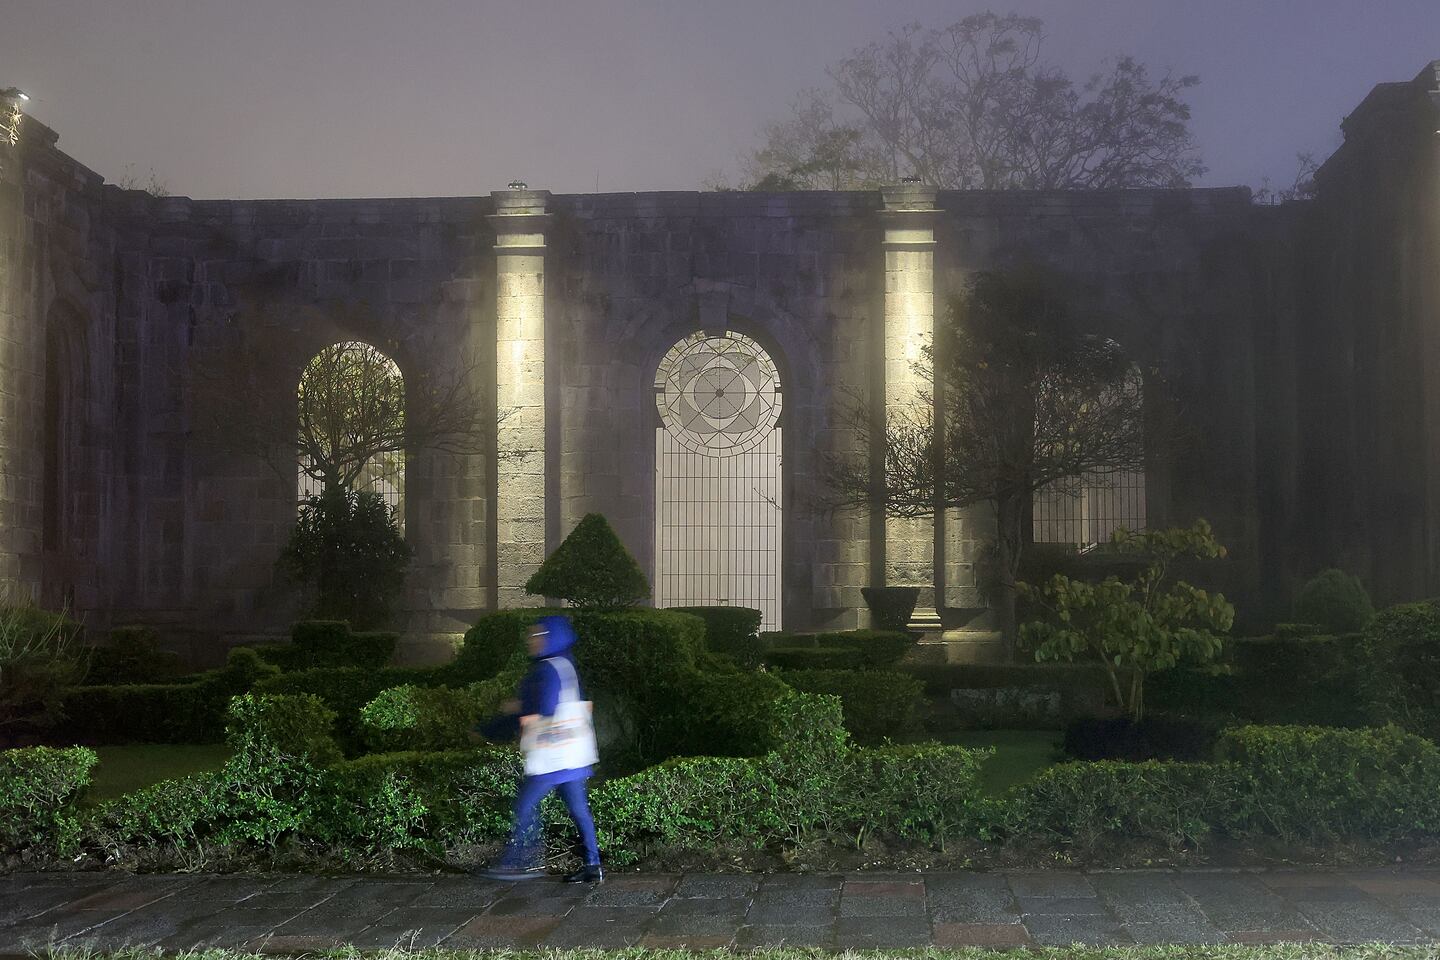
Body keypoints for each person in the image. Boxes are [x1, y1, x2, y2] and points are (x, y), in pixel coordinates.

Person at [479, 614, 603, 883]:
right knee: (579, 809)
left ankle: (523, 862)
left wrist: (513, 712)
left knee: (524, 806)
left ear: (552, 637)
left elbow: (544, 708)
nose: (532, 641)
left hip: (552, 755)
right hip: (573, 753)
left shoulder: (546, 669)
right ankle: (593, 864)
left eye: (538, 635)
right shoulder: (565, 663)